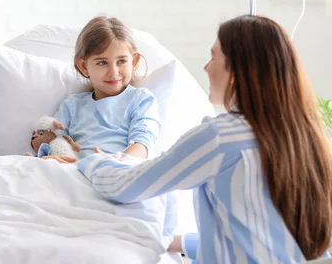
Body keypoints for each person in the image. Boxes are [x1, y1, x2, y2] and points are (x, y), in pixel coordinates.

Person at [77, 15, 332, 262]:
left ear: (238, 69)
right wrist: (176, 242)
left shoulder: (221, 137)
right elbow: (259, 241)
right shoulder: (302, 135)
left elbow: (127, 186)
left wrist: (93, 161)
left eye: (213, 57)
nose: (206, 67)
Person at [42, 16, 161, 163]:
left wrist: (112, 163)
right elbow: (53, 142)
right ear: (84, 67)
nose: (113, 72)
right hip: (74, 170)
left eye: (122, 61)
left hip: (119, 170)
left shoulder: (141, 100)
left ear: (134, 62)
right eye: (102, 62)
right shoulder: (72, 105)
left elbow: (142, 144)